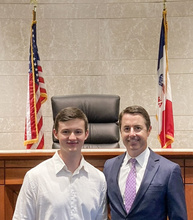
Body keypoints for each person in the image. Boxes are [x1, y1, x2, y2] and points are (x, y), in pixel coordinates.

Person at [13, 107, 107, 220]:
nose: (72, 137)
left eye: (78, 132)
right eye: (66, 132)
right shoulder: (35, 177)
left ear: (86, 134)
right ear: (55, 134)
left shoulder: (98, 179)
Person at [103, 105, 187, 220]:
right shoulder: (109, 166)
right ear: (120, 132)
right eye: (126, 128)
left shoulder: (169, 170)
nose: (132, 134)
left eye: (137, 128)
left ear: (148, 130)